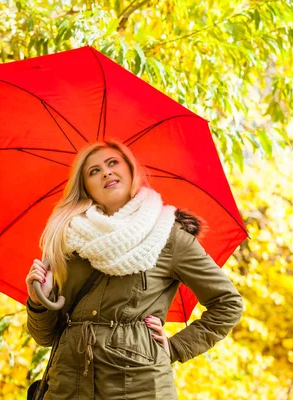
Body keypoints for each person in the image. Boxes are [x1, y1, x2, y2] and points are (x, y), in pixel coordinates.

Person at [24, 139, 244, 399]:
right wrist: (40, 300)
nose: (105, 172)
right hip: (68, 388)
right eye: (93, 171)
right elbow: (45, 337)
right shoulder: (68, 238)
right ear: (86, 188)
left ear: (130, 170)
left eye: (112, 163)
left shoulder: (168, 235)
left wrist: (175, 348)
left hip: (140, 387)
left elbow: (228, 303)